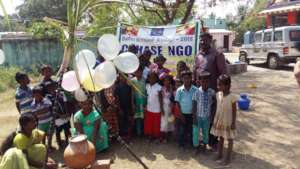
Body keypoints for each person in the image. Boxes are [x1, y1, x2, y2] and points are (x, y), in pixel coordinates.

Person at [193, 32, 227, 148]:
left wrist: (223, 92)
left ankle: (213, 140)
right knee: (202, 115)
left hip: (214, 92)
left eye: (205, 40)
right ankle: (204, 139)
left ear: (210, 41)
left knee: (213, 116)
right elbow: (195, 71)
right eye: (201, 40)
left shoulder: (217, 55)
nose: (202, 42)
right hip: (200, 91)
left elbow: (224, 74)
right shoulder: (198, 55)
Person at [210, 74, 237, 165]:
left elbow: (234, 111)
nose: (218, 87)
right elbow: (218, 108)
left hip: (228, 121)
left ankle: (228, 157)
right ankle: (220, 154)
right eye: (218, 84)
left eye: (220, 85)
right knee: (220, 137)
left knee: (229, 139)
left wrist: (233, 122)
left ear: (227, 85)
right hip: (220, 120)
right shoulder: (218, 95)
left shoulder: (232, 97)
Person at [192, 72, 216, 152]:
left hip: (207, 117)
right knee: (196, 132)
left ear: (209, 82)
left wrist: (212, 116)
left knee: (206, 132)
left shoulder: (212, 92)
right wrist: (194, 117)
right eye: (203, 81)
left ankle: (205, 145)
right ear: (199, 81)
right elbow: (194, 106)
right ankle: (196, 146)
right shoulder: (197, 92)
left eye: (207, 81)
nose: (205, 83)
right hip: (198, 116)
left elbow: (214, 104)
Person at [175, 70, 198, 149]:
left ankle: (192, 144)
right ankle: (181, 144)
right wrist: (181, 115)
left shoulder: (195, 90)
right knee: (182, 131)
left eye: (188, 78)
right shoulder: (179, 90)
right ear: (182, 79)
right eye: (185, 78)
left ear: (191, 78)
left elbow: (197, 103)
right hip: (182, 114)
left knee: (191, 130)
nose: (187, 80)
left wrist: (195, 115)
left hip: (192, 114)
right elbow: (177, 103)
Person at [45, 81, 71, 149]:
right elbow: (50, 108)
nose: (52, 88)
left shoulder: (61, 93)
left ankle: (67, 141)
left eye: (53, 86)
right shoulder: (47, 97)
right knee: (58, 131)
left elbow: (65, 103)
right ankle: (59, 144)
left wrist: (67, 113)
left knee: (66, 129)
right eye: (49, 87)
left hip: (65, 115)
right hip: (57, 117)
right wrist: (59, 115)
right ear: (47, 89)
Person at [144, 71, 163, 142]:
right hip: (149, 108)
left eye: (153, 78)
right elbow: (147, 96)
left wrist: (162, 109)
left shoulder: (159, 87)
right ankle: (150, 136)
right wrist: (145, 105)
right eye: (150, 77)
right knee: (149, 124)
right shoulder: (147, 86)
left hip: (157, 109)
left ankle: (157, 137)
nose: (151, 79)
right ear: (148, 78)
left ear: (156, 79)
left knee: (156, 124)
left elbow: (161, 99)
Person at [115, 74, 134, 141]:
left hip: (128, 107)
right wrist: (119, 108)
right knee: (122, 121)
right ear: (119, 78)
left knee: (128, 121)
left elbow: (131, 97)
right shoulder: (117, 87)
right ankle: (123, 136)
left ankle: (128, 136)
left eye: (124, 77)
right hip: (121, 107)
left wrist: (132, 106)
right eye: (121, 76)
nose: (123, 78)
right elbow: (117, 99)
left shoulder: (129, 87)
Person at [131, 67, 147, 136]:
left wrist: (146, 103)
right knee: (137, 118)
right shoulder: (132, 81)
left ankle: (145, 132)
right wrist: (132, 103)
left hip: (144, 101)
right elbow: (132, 93)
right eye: (136, 72)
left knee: (144, 117)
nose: (138, 73)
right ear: (134, 73)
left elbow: (146, 91)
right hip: (136, 101)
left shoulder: (145, 80)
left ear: (142, 72)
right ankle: (139, 133)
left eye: (140, 72)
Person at [160, 74, 175, 143]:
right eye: (165, 81)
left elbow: (173, 99)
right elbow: (160, 99)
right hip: (164, 107)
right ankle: (164, 137)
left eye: (168, 81)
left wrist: (172, 109)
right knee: (164, 123)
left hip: (170, 107)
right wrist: (161, 109)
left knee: (170, 122)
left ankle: (169, 136)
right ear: (163, 82)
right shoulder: (162, 89)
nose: (167, 82)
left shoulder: (172, 89)